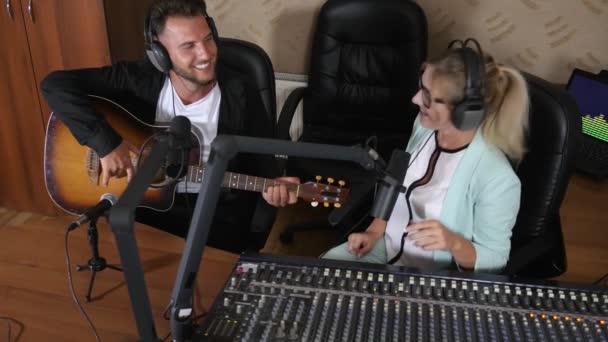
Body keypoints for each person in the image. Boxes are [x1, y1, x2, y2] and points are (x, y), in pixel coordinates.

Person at [264, 39, 529, 273]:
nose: (415, 100)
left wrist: (453, 242)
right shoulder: (425, 129)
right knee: (322, 275)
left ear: (465, 112)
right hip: (386, 250)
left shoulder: (497, 178)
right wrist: (374, 231)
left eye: (428, 97)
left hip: (434, 276)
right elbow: (398, 183)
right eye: (420, 87)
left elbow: (496, 259)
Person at [41, 0, 277, 253]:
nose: (206, 54)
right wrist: (106, 144)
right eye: (188, 46)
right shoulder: (136, 79)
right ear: (160, 54)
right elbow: (55, 85)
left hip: (216, 213)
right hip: (147, 209)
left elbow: (264, 164)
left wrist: (273, 188)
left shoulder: (241, 91)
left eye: (208, 39)